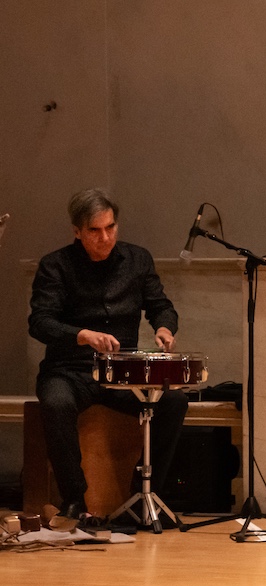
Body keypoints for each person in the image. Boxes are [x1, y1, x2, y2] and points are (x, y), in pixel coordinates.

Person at [28, 188, 189, 526]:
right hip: (69, 370)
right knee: (55, 403)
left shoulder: (138, 260)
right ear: (77, 231)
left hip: (121, 372)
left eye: (110, 227)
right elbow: (40, 322)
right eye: (95, 230)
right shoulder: (55, 266)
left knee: (174, 401)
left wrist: (164, 328)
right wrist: (82, 335)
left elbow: (161, 306)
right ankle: (74, 499)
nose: (105, 238)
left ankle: (143, 494)